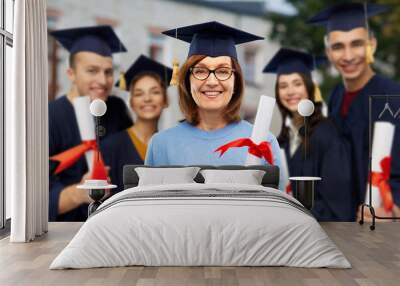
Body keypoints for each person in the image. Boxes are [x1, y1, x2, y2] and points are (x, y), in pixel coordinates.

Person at [145, 21, 284, 189]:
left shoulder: (263, 142)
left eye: (223, 71)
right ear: (187, 81)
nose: (212, 81)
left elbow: (280, 211)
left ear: (236, 81)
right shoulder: (161, 145)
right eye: (200, 71)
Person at [308, 3, 400, 219]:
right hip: (343, 222)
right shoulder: (337, 94)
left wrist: (392, 210)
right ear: (328, 52)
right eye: (338, 46)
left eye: (357, 44)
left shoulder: (393, 98)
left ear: (372, 44)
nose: (348, 56)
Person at [49, 25, 133, 221]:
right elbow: (36, 198)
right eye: (92, 71)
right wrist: (80, 193)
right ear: (71, 73)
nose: (103, 80)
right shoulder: (49, 117)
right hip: (66, 230)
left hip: (114, 224)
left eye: (108, 72)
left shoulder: (117, 109)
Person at [264, 48, 353, 221]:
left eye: (297, 83)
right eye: (283, 86)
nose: (290, 92)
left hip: (318, 235)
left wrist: (288, 217)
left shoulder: (327, 134)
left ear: (310, 88)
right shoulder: (282, 141)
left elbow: (336, 204)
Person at [101, 55, 171, 193]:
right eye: (139, 94)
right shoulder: (110, 147)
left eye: (155, 92)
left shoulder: (172, 147)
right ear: (131, 103)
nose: (147, 99)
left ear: (166, 100)